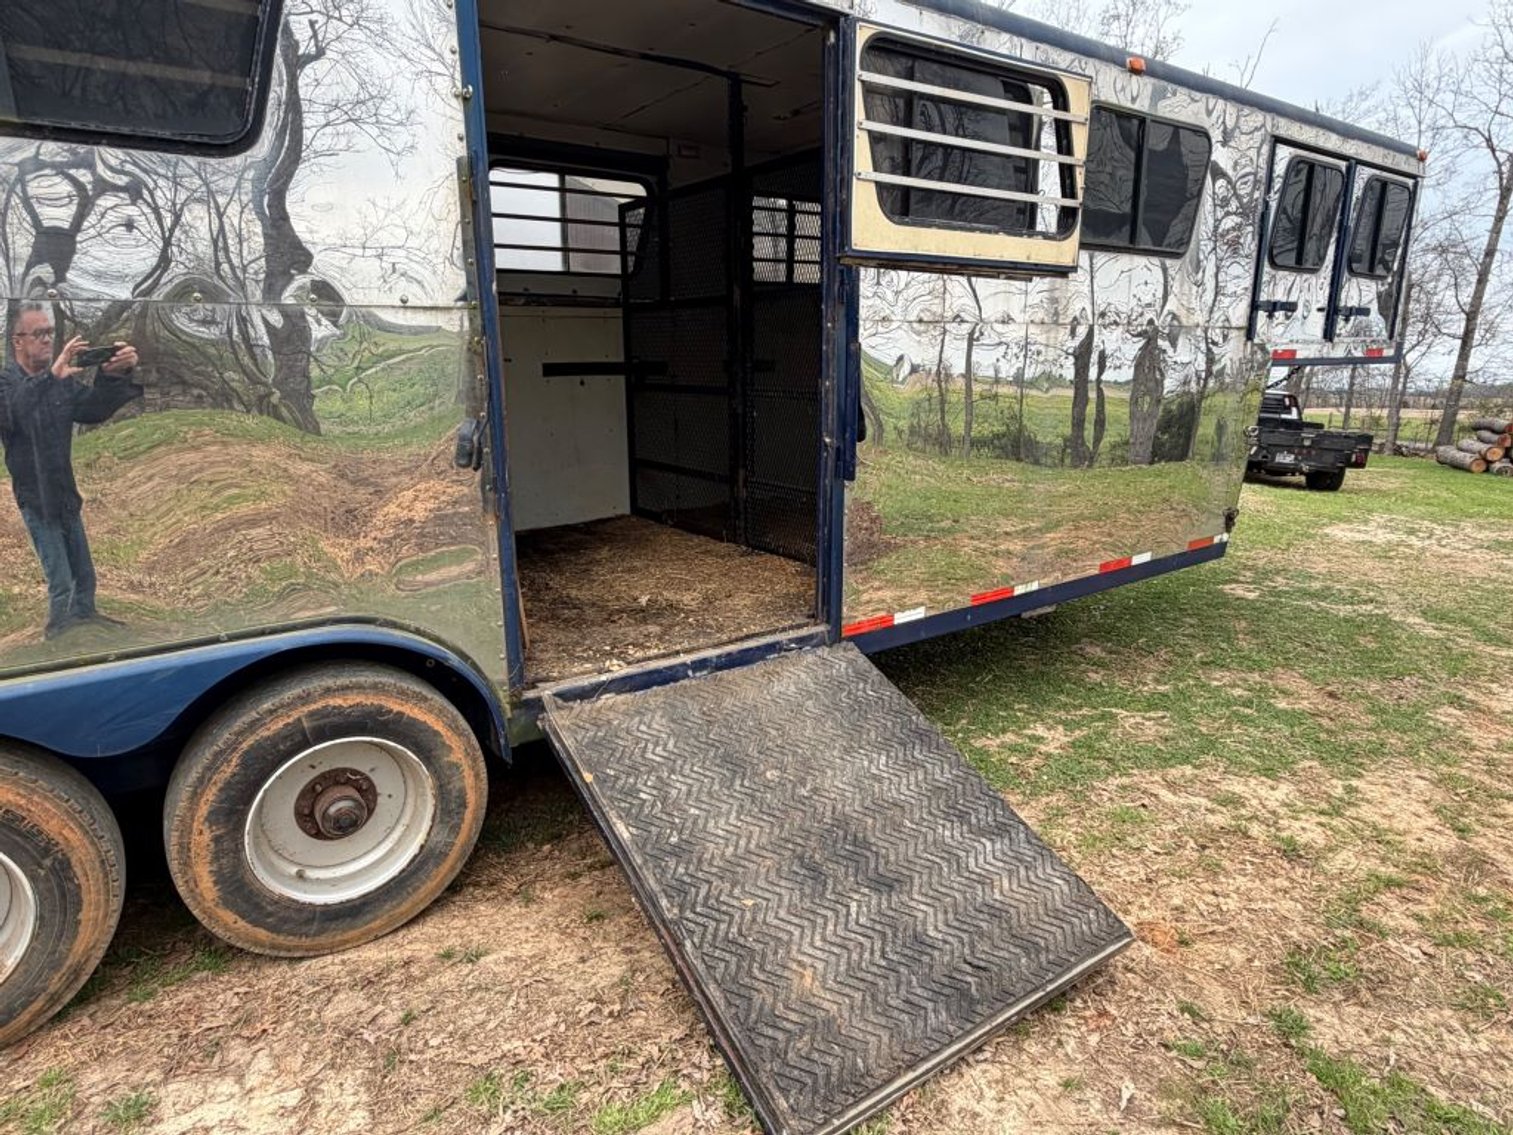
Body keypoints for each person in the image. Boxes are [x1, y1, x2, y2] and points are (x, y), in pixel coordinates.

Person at [1, 303, 141, 639]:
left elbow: (93, 410)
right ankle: (58, 633)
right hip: (36, 497)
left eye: (49, 333)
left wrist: (113, 374)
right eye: (39, 333)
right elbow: (14, 412)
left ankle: (85, 618)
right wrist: (51, 378)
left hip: (65, 493)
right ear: (17, 341)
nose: (47, 340)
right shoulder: (6, 381)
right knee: (61, 580)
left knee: (85, 574)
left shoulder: (61, 381)